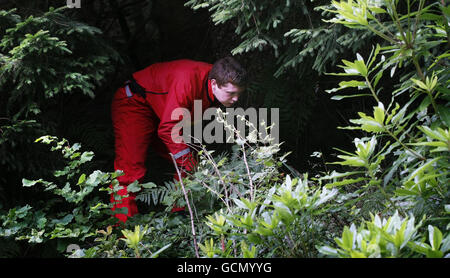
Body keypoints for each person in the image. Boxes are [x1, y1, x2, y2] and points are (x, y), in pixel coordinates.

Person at [110, 57, 248, 223]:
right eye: (231, 93)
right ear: (213, 84)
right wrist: (187, 161)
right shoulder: (188, 82)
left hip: (161, 110)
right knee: (130, 171)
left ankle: (180, 216)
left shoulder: (220, 77)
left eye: (238, 93)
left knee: (191, 160)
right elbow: (168, 128)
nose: (236, 99)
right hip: (134, 102)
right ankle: (122, 230)